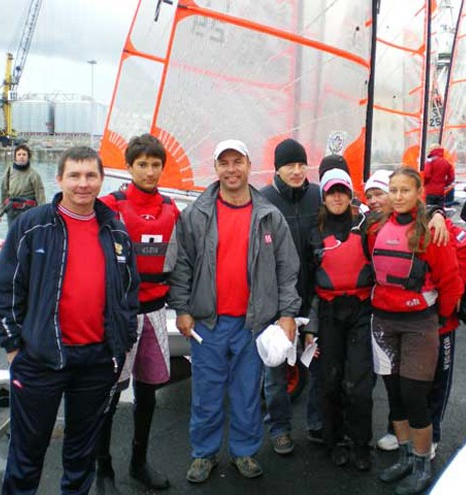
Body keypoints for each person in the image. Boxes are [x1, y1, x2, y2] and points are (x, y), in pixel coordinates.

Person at [0, 146, 140, 494]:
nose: (83, 184)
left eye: (91, 175)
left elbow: (128, 296)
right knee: (26, 455)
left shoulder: (116, 233)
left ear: (102, 180)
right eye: (74, 175)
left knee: (81, 456)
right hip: (39, 359)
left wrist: (122, 342)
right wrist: (13, 348)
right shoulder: (32, 225)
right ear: (59, 179)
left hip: (96, 361)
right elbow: (6, 289)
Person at [169, 139, 301, 484]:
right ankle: (204, 454)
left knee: (246, 394)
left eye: (237, 161)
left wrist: (287, 314)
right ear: (215, 168)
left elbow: (288, 270)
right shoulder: (195, 214)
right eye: (224, 163)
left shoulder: (269, 216)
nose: (231, 169)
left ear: (248, 165)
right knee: (206, 394)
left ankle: (244, 451)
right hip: (207, 324)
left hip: (253, 323)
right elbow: (180, 265)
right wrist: (182, 309)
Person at [369, 167, 463, 494]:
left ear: (418, 192)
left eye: (404, 190)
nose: (397, 196)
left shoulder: (431, 233)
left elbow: (451, 281)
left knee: (414, 397)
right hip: (382, 322)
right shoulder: (377, 227)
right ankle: (407, 457)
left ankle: (423, 462)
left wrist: (443, 317)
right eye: (392, 189)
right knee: (394, 397)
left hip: (418, 323)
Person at [96, 134, 179, 493]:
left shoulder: (172, 208)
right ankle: (103, 470)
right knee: (111, 394)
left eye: (155, 164)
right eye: (141, 164)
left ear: (162, 167)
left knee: (148, 392)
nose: (149, 171)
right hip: (119, 315)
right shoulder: (109, 206)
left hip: (157, 312)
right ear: (128, 167)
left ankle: (138, 462)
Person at [306, 168, 374, 470]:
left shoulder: (367, 227)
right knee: (329, 382)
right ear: (324, 196)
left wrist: (437, 211)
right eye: (332, 191)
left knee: (357, 386)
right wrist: (309, 328)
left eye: (343, 191)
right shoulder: (313, 232)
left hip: (361, 311)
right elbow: (307, 284)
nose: (337, 196)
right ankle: (335, 441)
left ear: (350, 195)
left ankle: (361, 443)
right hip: (329, 314)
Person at [259, 138, 324, 454]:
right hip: (276, 301)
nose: (297, 171)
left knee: (316, 365)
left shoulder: (319, 195)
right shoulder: (263, 200)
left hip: (315, 296)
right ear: (278, 168)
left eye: (301, 164)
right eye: (290, 165)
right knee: (276, 371)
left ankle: (316, 425)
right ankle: (280, 428)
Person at [428, 221, 466, 460]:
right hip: (407, 321)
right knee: (405, 380)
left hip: (440, 321)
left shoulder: (439, 224)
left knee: (439, 378)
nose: (396, 196)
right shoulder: (382, 225)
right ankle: (401, 430)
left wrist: (453, 293)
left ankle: (433, 434)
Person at [0, 144, 46, 227]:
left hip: (28, 210)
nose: (21, 157)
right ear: (15, 157)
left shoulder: (34, 175)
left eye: (24, 154)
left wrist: (42, 214)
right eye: (19, 154)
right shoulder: (9, 171)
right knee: (12, 234)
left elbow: (40, 195)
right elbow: (4, 192)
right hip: (12, 210)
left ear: (28, 157)